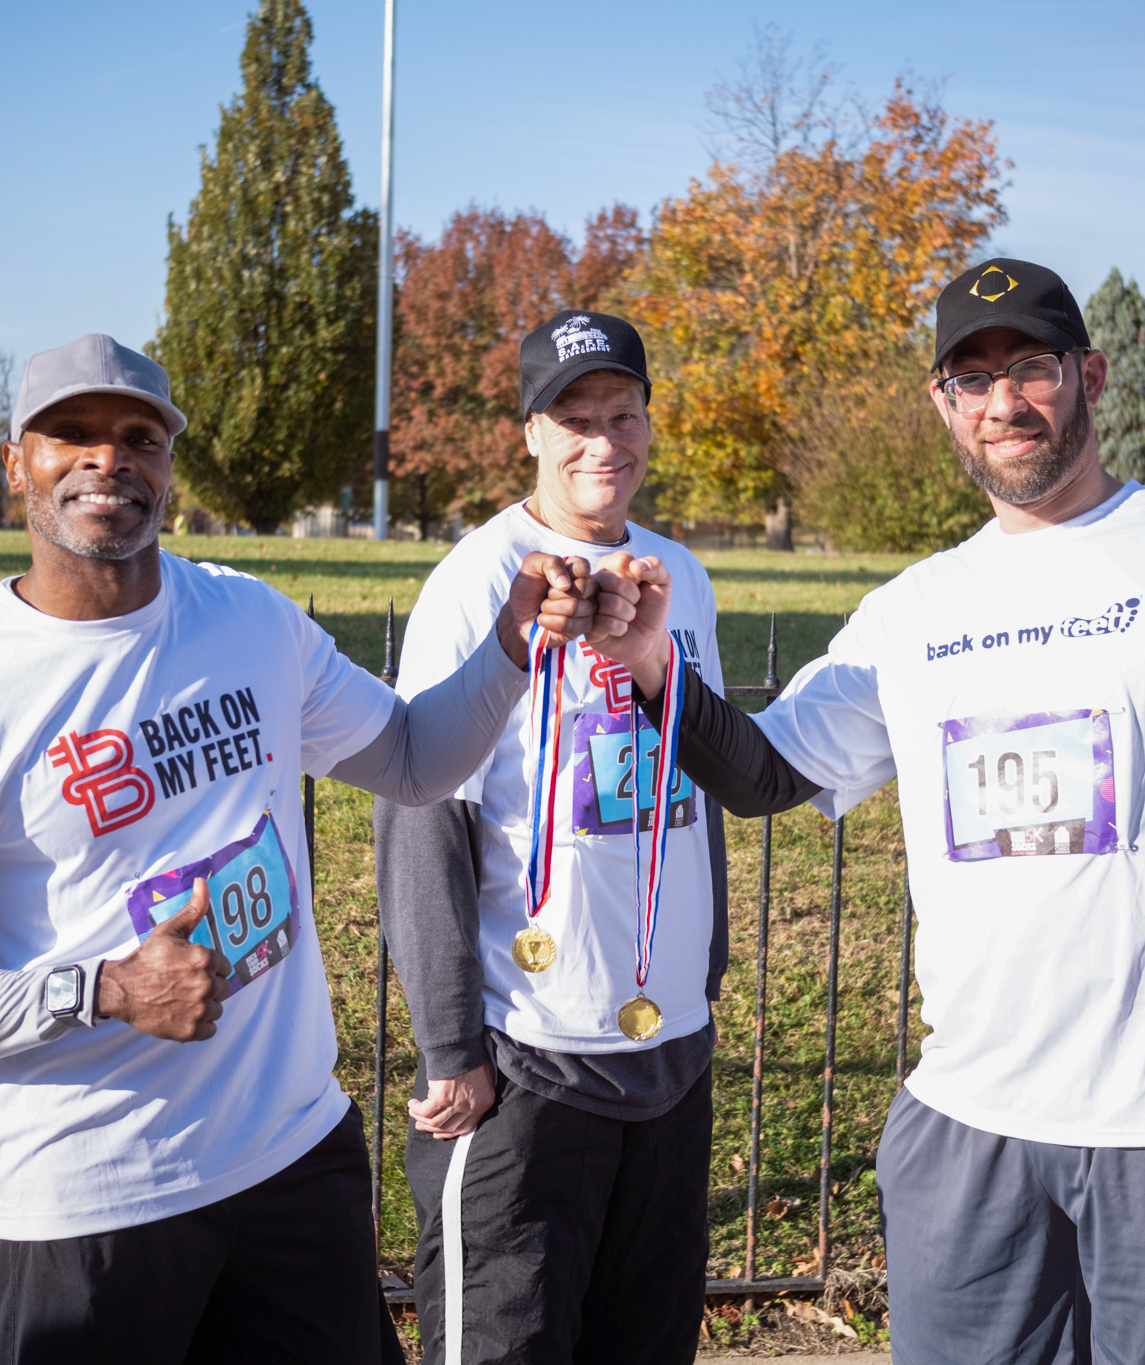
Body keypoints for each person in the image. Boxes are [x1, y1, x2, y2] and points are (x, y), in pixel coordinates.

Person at [582, 261, 1145, 1365]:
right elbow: (767, 774)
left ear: (1088, 376)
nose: (1001, 402)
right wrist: (652, 674)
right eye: (969, 380)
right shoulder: (913, 610)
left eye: (1028, 368)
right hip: (969, 1135)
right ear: (941, 406)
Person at [0, 333, 596, 1365]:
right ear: (17, 463)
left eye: (138, 438)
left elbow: (415, 761)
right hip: (82, 1203)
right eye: (72, 435)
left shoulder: (246, 619)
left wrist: (511, 646)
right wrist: (103, 989)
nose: (108, 460)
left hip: (288, 1161)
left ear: (167, 469)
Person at [376, 310, 727, 1365]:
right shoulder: (482, 579)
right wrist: (450, 1044)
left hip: (665, 1051)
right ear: (529, 431)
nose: (601, 443)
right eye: (573, 419)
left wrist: (699, 982)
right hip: (526, 1058)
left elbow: (693, 781)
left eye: (621, 415)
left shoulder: (679, 576)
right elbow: (423, 812)